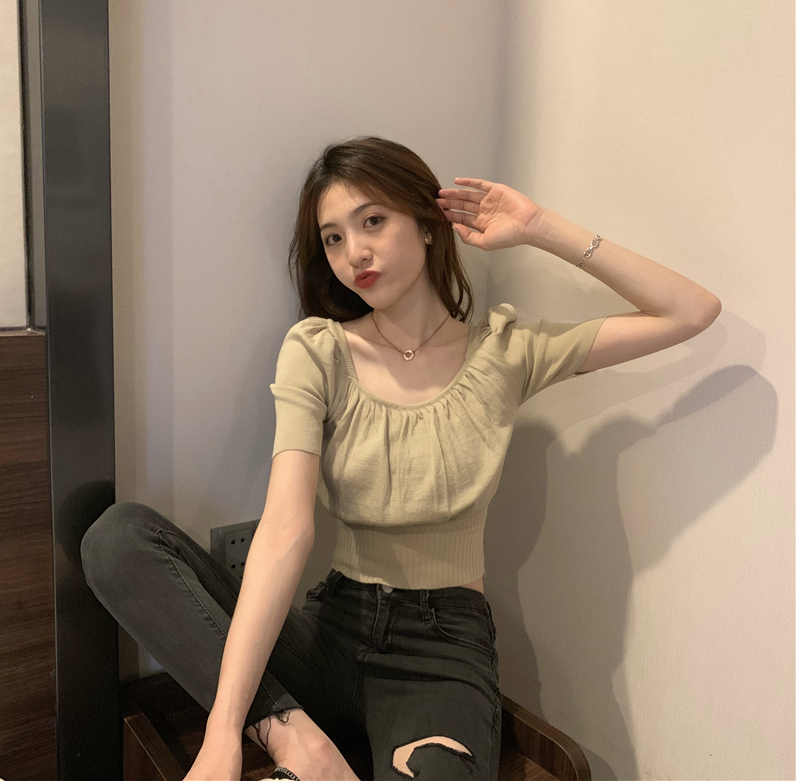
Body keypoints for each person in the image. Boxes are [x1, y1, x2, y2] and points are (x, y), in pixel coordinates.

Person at [80, 136, 721, 781]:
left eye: (373, 221)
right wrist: (225, 734)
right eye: (333, 238)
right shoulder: (318, 350)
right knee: (118, 539)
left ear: (428, 224)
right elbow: (285, 529)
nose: (353, 252)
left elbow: (691, 310)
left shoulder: (507, 353)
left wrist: (540, 227)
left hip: (442, 652)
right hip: (332, 632)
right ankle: (298, 744)